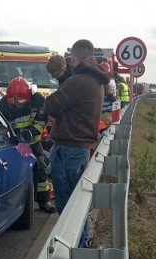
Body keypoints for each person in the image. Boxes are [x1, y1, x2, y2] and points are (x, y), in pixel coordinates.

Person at [44, 39, 110, 247]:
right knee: (77, 205)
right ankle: (81, 246)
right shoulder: (97, 81)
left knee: (67, 208)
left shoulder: (78, 81)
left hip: (68, 149)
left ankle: (76, 250)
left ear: (73, 58)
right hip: (80, 148)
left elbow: (51, 105)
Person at [0, 76, 56, 213]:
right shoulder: (2, 105)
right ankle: (15, 203)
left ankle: (44, 201)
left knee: (41, 169)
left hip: (33, 142)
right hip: (14, 144)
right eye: (13, 99)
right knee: (13, 171)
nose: (17, 103)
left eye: (20, 100)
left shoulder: (38, 100)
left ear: (29, 96)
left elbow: (41, 120)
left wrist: (29, 133)